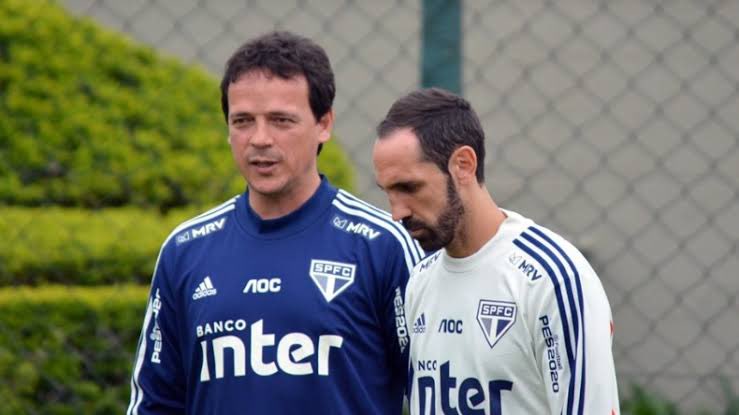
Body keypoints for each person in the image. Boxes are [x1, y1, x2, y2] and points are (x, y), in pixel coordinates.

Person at [126, 31, 424, 415]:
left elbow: (432, 391)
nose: (260, 139)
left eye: (281, 120)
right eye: (243, 121)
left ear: (324, 124)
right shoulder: (185, 250)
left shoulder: (382, 245)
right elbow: (155, 403)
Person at [373, 87, 620, 415]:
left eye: (409, 187)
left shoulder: (552, 279)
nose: (396, 212)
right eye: (389, 192)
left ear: (463, 165)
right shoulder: (420, 280)